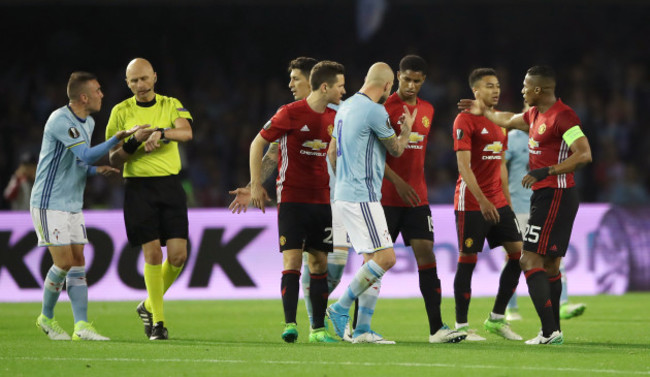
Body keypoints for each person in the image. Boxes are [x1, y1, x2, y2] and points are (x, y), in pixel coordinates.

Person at [459, 65, 593, 345]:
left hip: (555, 194)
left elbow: (584, 154)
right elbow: (508, 119)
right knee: (552, 265)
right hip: (548, 197)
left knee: (528, 259)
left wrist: (549, 171)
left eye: (524, 86)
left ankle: (548, 332)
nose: (520, 91)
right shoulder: (534, 115)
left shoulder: (562, 117)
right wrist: (484, 111)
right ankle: (554, 330)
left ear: (537, 89)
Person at [229, 57, 348, 329]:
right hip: (295, 199)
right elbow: (271, 151)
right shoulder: (289, 113)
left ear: (314, 82)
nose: (290, 83)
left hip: (329, 200)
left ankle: (322, 326)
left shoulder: (338, 114)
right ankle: (295, 324)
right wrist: (253, 185)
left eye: (296, 78)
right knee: (295, 260)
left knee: (330, 266)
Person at [32, 71, 141, 341]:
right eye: (98, 90)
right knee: (65, 262)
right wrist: (118, 138)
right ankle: (46, 317)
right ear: (84, 96)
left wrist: (96, 171)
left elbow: (80, 162)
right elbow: (85, 154)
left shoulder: (88, 122)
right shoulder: (60, 120)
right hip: (49, 202)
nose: (102, 94)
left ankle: (81, 326)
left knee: (78, 261)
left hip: (72, 202)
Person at [376, 55, 465, 343]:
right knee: (375, 263)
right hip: (387, 197)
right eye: (406, 79)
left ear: (423, 81)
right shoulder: (383, 109)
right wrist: (398, 182)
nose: (411, 85)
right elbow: (375, 156)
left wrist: (410, 184)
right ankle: (356, 326)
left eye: (417, 80)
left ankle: (437, 329)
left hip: (417, 198)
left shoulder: (428, 109)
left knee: (427, 256)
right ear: (397, 77)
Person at [326, 62, 414, 344]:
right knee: (386, 258)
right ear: (388, 86)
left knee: (370, 262)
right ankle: (340, 309)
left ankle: (363, 330)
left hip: (345, 194)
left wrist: (345, 181)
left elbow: (331, 153)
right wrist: (407, 130)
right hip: (362, 195)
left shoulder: (345, 107)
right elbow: (397, 150)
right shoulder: (376, 111)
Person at [106, 58, 193, 341]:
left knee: (178, 257)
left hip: (170, 185)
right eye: (133, 81)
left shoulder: (171, 104)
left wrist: (161, 133)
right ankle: (158, 322)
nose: (140, 85)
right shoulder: (120, 111)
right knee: (153, 253)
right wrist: (134, 142)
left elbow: (187, 132)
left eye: (144, 79)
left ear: (154, 77)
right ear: (127, 83)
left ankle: (146, 305)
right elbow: (114, 157)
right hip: (138, 188)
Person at [452, 68, 524, 341]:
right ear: (475, 91)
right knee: (467, 260)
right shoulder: (464, 120)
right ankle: (461, 326)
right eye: (489, 86)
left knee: (520, 256)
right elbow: (463, 166)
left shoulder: (499, 121)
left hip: (498, 201)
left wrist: (506, 201)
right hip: (471, 201)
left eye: (497, 85)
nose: (495, 90)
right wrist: (482, 200)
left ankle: (496, 318)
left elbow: (501, 167)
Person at [504, 117, 587, 322]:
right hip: (518, 207)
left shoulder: (551, 138)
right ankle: (510, 308)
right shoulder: (513, 138)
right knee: (515, 258)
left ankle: (563, 304)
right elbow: (498, 170)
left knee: (554, 254)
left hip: (543, 205)